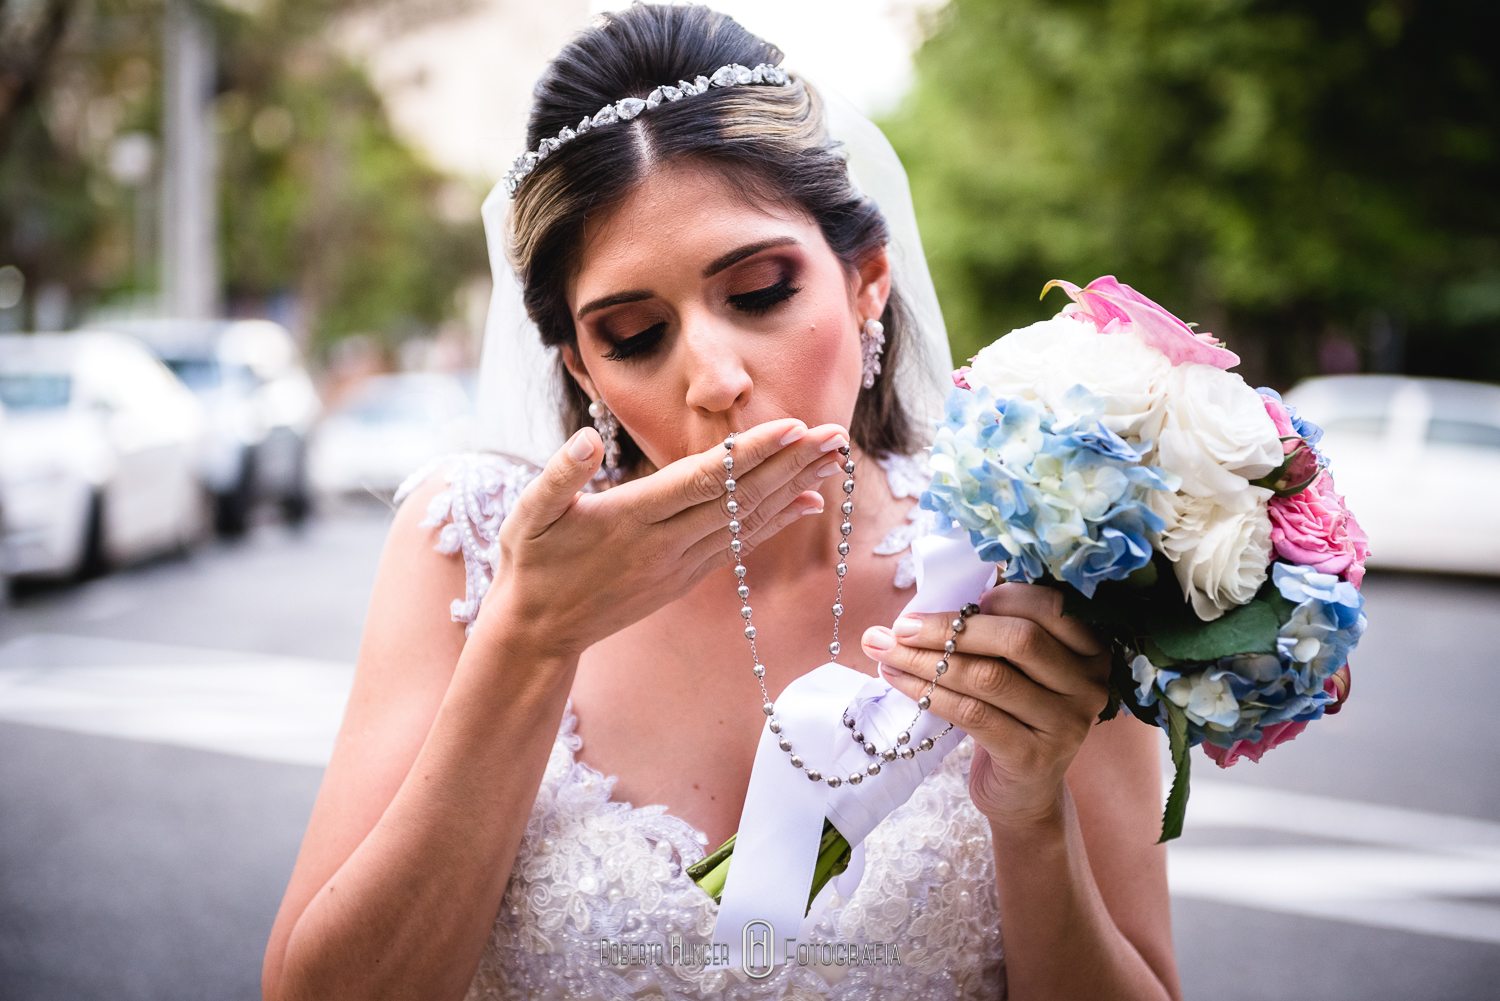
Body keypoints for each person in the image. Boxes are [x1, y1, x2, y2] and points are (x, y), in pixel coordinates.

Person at [262, 6, 1181, 1000]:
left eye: (758, 291)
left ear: (867, 278)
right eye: (634, 333)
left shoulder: (1033, 542)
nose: (712, 376)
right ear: (580, 363)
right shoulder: (476, 548)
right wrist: (526, 643)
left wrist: (1033, 815)